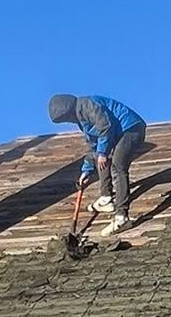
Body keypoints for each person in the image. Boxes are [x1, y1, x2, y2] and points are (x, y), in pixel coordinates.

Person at [48, 93, 147, 235]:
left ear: (69, 111)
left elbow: (106, 127)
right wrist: (86, 171)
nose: (68, 121)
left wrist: (102, 153)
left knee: (118, 166)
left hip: (131, 129)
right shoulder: (81, 120)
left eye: (66, 118)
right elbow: (93, 147)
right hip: (118, 134)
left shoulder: (87, 105)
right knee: (101, 158)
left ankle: (121, 217)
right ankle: (106, 197)